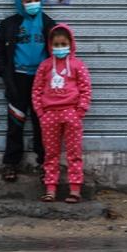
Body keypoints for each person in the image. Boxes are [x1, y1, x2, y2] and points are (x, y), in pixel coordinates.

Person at [0, 0, 56, 182]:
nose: (33, 3)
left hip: (42, 82)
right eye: (28, 0)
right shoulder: (9, 24)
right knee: (15, 123)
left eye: (36, 0)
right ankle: (11, 164)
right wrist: (5, 73)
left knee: (42, 124)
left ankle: (46, 164)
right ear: (20, 1)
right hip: (17, 80)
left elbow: (60, 52)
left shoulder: (49, 24)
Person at [32, 24, 91, 203]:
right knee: (51, 154)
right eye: (56, 45)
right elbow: (37, 89)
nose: (59, 48)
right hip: (49, 115)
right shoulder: (45, 66)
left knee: (74, 153)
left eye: (63, 44)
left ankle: (75, 189)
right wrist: (41, 112)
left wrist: (80, 110)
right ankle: (50, 189)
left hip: (71, 113)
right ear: (50, 46)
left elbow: (85, 88)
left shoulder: (77, 65)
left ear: (70, 44)